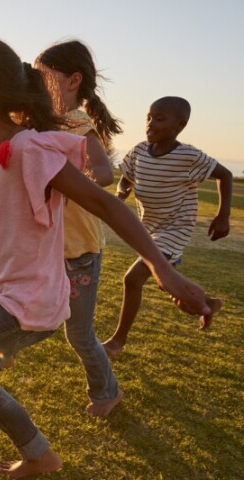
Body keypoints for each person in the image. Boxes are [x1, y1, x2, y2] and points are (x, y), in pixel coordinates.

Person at [0, 36, 214, 479]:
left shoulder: (31, 149)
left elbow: (106, 203)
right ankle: (40, 456)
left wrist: (163, 271)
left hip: (28, 303)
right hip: (6, 295)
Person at [0, 39, 125, 417]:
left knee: (79, 334)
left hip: (77, 250)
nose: (36, 84)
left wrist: (64, 180)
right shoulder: (34, 123)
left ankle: (107, 393)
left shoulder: (78, 124)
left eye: (44, 77)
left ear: (73, 81)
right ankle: (2, 351)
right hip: (40, 247)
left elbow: (103, 173)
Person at [102, 96, 231, 358]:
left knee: (132, 278)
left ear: (179, 125)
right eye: (148, 118)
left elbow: (226, 175)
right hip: (149, 229)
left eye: (159, 119)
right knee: (166, 284)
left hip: (174, 229)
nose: (150, 124)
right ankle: (206, 305)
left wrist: (223, 216)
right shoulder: (139, 151)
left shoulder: (188, 156)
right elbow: (126, 178)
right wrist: (122, 191)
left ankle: (117, 341)